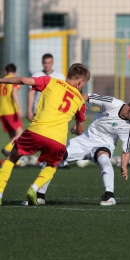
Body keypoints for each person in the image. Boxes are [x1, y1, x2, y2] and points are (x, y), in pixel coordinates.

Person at [23, 93, 130, 206]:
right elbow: (86, 96)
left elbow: (127, 150)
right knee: (54, 156)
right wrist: (79, 121)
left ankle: (109, 196)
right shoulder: (113, 103)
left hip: (104, 145)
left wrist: (124, 165)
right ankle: (40, 196)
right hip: (84, 140)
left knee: (104, 159)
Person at [0, 63, 90, 206]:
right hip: (58, 141)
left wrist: (1, 80)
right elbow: (80, 130)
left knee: (12, 158)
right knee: (52, 165)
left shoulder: (51, 81)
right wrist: (74, 129)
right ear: (80, 82)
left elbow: (24, 81)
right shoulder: (80, 101)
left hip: (37, 131)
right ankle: (34, 188)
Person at [27, 53, 65, 121]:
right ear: (42, 63)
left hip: (54, 111)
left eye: (49, 63)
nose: (47, 65)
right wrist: (29, 110)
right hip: (38, 111)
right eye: (45, 63)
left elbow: (63, 94)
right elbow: (31, 93)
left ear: (52, 63)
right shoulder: (36, 75)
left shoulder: (60, 76)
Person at [0, 63, 23, 157]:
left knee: (12, 136)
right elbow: (14, 93)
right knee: (20, 134)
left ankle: (11, 158)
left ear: (6, 72)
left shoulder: (2, 81)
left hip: (2, 112)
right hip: (11, 111)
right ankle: (7, 149)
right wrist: (19, 108)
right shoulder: (14, 80)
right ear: (15, 72)